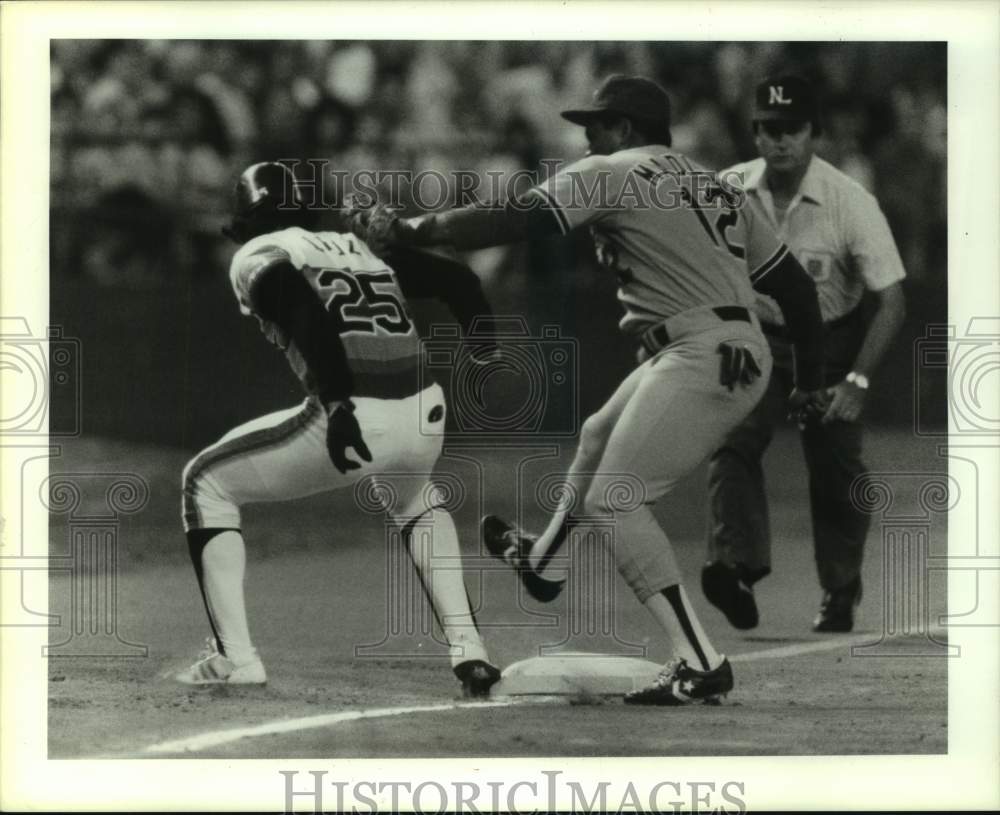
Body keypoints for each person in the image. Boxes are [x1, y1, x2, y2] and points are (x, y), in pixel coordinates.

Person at [347, 75, 827, 705]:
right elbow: (796, 290)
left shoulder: (614, 171)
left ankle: (699, 659)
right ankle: (545, 563)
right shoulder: (720, 186)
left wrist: (411, 231)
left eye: (595, 126)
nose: (585, 138)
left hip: (700, 351)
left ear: (626, 129)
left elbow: (517, 219)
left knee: (615, 499)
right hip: (724, 348)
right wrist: (811, 384)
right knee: (598, 436)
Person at [177, 162, 501, 697]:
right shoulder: (356, 245)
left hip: (357, 407)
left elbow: (306, 314)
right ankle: (471, 652)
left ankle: (235, 658)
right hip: (426, 412)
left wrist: (338, 405)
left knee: (204, 482)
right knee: (417, 501)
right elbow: (461, 281)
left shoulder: (257, 254)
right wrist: (486, 354)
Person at [703, 76, 906, 633]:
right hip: (759, 336)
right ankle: (735, 569)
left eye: (792, 129)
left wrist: (857, 381)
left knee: (836, 464)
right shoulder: (728, 191)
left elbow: (891, 301)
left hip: (834, 337)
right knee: (731, 440)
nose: (780, 141)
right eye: (769, 129)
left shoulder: (849, 200)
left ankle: (840, 589)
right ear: (755, 133)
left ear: (815, 133)